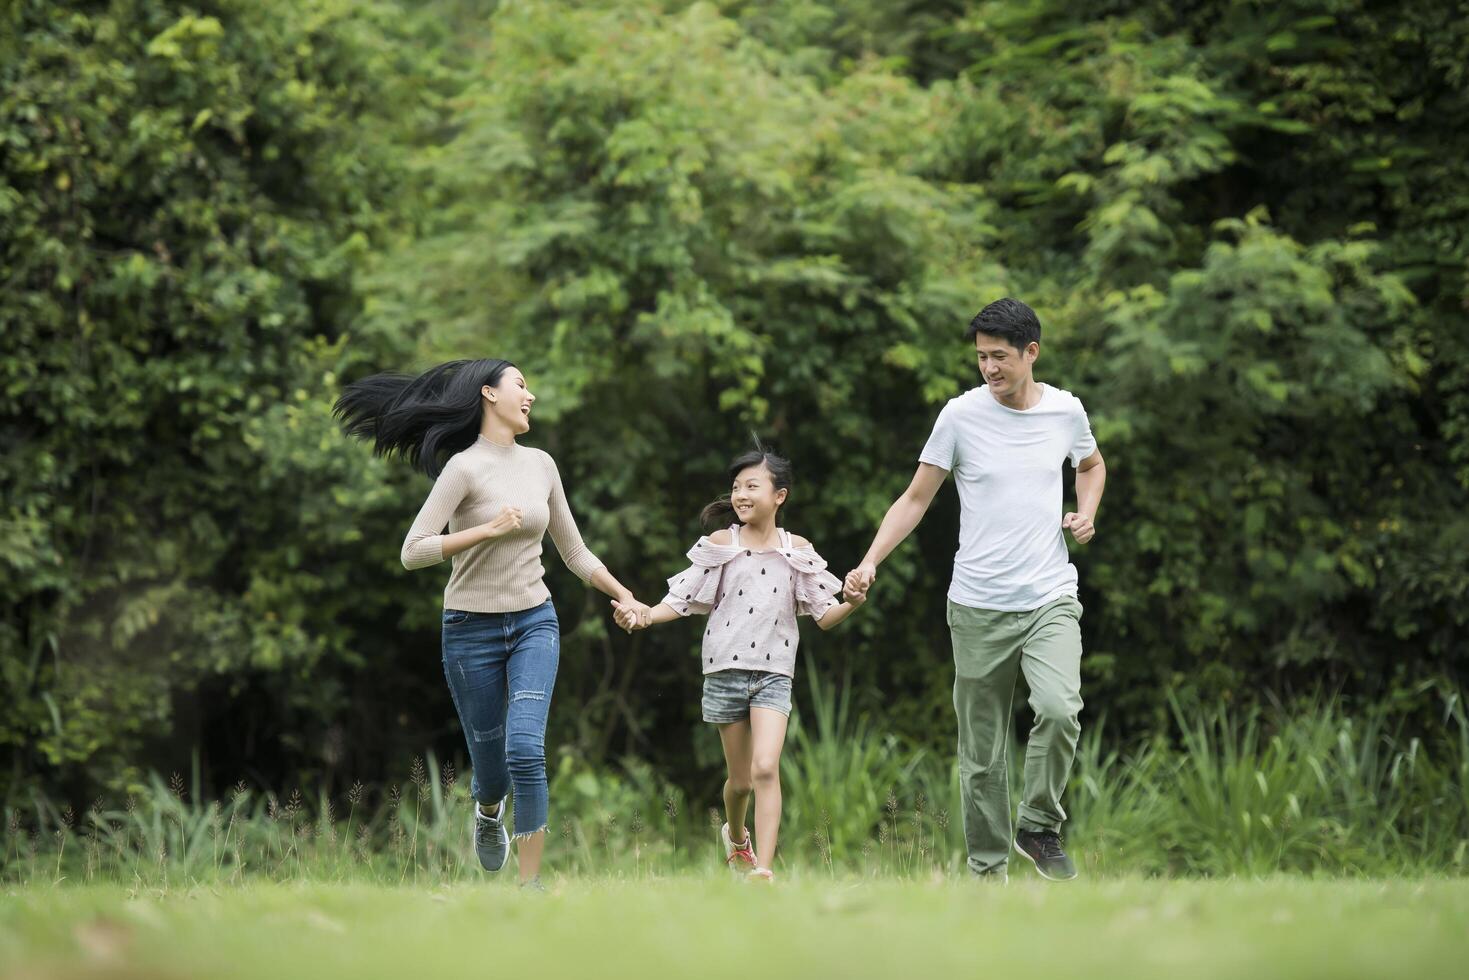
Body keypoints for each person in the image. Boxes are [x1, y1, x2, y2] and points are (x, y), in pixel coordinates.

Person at [334, 358, 652, 891]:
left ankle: (530, 886)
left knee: (526, 748)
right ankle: (487, 812)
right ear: (489, 394)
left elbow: (573, 552)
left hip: (534, 620)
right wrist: (484, 530)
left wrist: (626, 596)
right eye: (521, 385)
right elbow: (413, 552)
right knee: (492, 768)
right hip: (469, 630)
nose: (531, 395)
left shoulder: (541, 465)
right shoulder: (463, 468)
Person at [844, 298, 1106, 882]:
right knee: (982, 755)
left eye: (1001, 357)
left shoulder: (1065, 412)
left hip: (1049, 596)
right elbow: (916, 499)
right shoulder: (959, 417)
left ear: (1031, 353)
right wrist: (869, 562)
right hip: (977, 605)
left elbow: (1090, 466)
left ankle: (1039, 825)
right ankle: (988, 874)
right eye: (982, 357)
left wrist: (1085, 512)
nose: (989, 368)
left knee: (1061, 709)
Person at [615, 447, 864, 882]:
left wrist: (853, 603)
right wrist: (642, 615)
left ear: (779, 495)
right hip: (724, 670)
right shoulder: (721, 545)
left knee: (766, 767)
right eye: (736, 487)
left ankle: (763, 870)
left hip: (774, 673)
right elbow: (680, 600)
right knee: (742, 782)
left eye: (752, 486)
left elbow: (824, 616)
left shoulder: (796, 550)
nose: (740, 495)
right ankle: (736, 835)